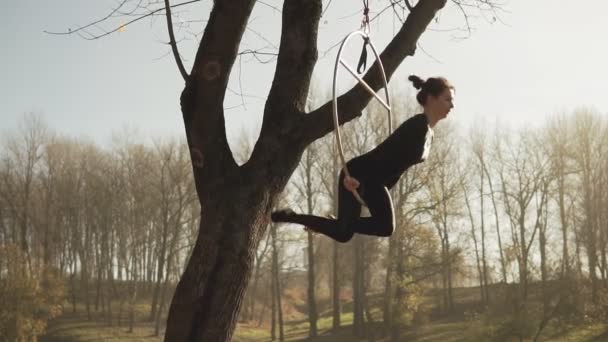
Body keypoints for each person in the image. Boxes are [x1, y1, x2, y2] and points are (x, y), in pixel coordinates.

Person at [271, 75, 454, 243]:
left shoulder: (430, 135)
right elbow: (385, 153)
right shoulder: (417, 126)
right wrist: (358, 182)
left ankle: (315, 220)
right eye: (447, 99)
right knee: (376, 228)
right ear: (431, 98)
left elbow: (397, 168)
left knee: (345, 232)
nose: (451, 106)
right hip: (361, 172)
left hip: (376, 181)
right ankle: (301, 218)